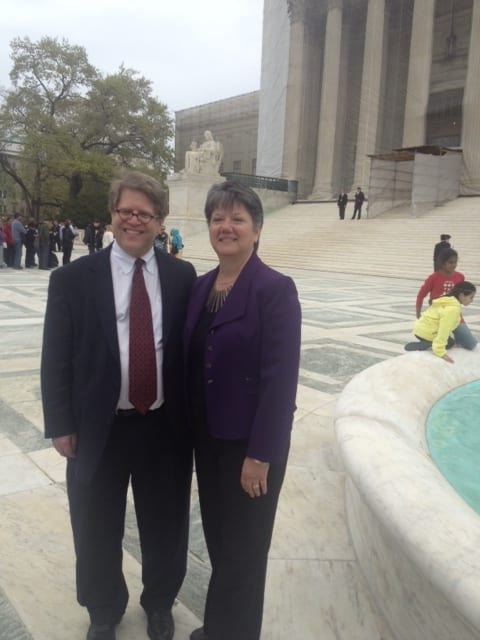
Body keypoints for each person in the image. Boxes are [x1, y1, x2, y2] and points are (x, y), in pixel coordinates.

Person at [41, 171, 196, 640]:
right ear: (111, 217)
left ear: (159, 222)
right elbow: (56, 355)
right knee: (94, 523)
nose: (133, 220)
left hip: (162, 426)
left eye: (144, 214)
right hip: (95, 427)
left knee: (165, 522)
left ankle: (160, 602)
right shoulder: (72, 279)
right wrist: (60, 424)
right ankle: (103, 609)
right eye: (125, 211)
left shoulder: (181, 275)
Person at [184, 181, 301, 640]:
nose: (225, 227)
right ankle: (219, 628)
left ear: (256, 229)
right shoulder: (199, 287)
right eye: (217, 218)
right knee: (220, 545)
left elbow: (280, 380)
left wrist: (261, 455)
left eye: (236, 219)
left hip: (249, 450)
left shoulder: (274, 290)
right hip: (209, 443)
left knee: (245, 554)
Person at [415, 248, 477, 350]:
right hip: (437, 317)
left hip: (454, 316)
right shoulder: (433, 277)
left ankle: (451, 338)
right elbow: (421, 295)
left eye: (455, 262)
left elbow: (463, 296)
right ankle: (431, 340)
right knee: (446, 343)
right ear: (443, 263)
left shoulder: (460, 277)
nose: (454, 265)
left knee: (471, 344)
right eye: (450, 262)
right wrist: (418, 314)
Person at [405, 281, 476, 363]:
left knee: (450, 341)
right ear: (461, 295)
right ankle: (427, 344)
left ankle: (428, 341)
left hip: (420, 329)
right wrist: (440, 352)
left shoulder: (447, 300)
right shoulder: (452, 309)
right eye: (471, 297)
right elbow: (444, 329)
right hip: (427, 332)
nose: (472, 300)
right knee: (449, 344)